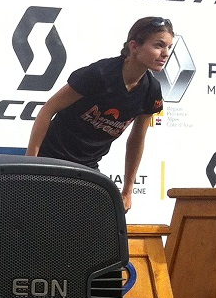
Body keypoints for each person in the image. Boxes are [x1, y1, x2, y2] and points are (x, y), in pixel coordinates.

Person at [26, 16, 170, 211]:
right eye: (159, 45)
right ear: (134, 46)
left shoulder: (151, 90)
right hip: (52, 159)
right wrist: (30, 164)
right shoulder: (100, 74)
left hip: (88, 168)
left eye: (169, 47)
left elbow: (137, 139)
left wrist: (128, 190)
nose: (165, 53)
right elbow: (48, 109)